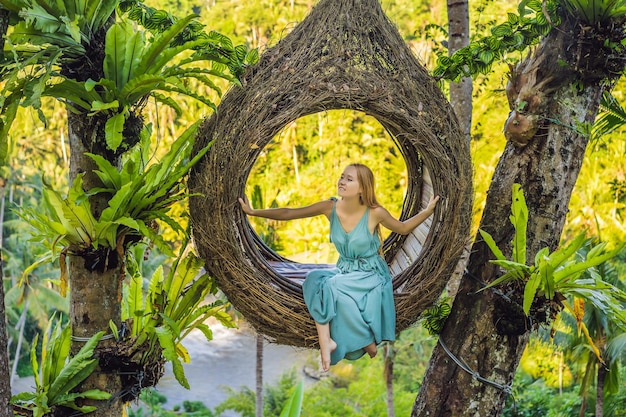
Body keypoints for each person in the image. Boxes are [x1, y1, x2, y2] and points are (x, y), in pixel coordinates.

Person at [239, 163, 439, 371]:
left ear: (363, 187)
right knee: (314, 279)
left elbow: (404, 228)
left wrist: (427, 211)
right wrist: (253, 212)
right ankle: (364, 340)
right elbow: (290, 213)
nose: (342, 181)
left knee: (331, 287)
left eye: (349, 179)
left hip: (370, 273)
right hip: (345, 270)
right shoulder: (330, 207)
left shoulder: (375, 213)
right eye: (342, 177)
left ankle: (327, 343)